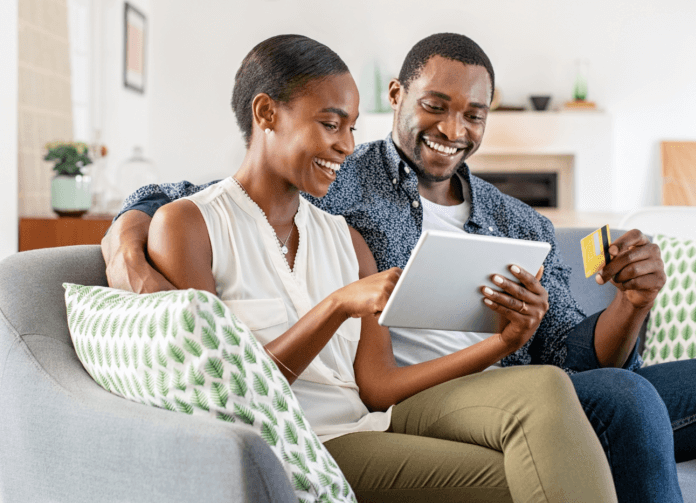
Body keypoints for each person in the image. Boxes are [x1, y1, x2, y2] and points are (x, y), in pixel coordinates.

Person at [106, 33, 696, 503]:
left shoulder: (520, 222)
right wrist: (131, 227)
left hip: (530, 385)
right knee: (621, 396)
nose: (454, 128)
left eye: (474, 113)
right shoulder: (349, 180)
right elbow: (216, 189)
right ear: (398, 95)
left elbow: (572, 355)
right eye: (436, 105)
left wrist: (632, 303)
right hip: (422, 404)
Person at [145, 34, 616, 502]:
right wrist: (334, 307)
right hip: (298, 448)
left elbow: (378, 388)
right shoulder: (189, 226)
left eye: (351, 128)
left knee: (545, 407)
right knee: (527, 479)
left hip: (370, 425)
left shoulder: (346, 241)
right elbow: (222, 399)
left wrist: (504, 342)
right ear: (267, 113)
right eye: (331, 124)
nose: (347, 146)